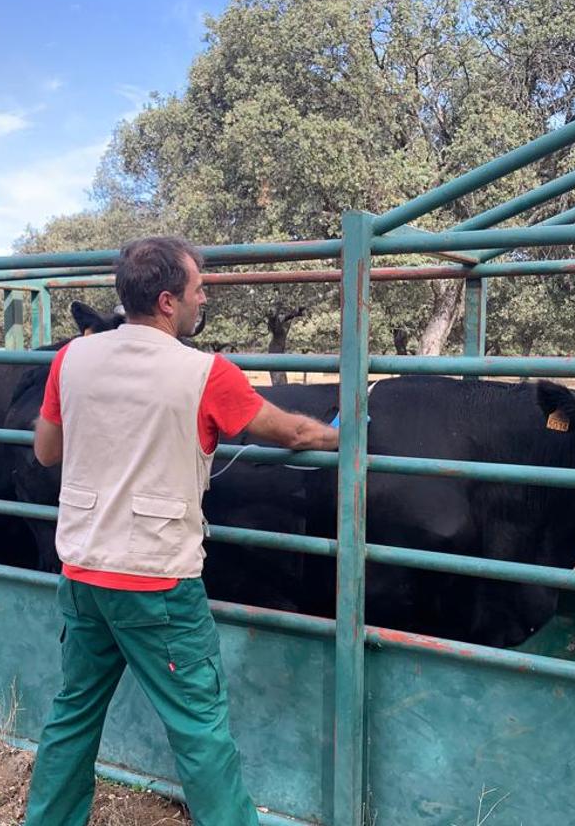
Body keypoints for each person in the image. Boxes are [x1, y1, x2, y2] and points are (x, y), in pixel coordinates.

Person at [23, 236, 339, 826]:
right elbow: (293, 434)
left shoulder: (72, 359)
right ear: (168, 301)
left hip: (84, 571)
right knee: (198, 727)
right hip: (157, 584)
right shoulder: (206, 373)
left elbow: (45, 451)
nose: (203, 300)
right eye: (198, 291)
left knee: (73, 714)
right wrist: (344, 432)